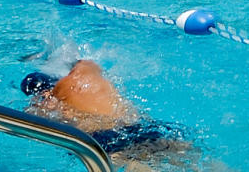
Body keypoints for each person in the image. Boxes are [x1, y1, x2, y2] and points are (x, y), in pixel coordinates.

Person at [20, 56, 183, 156]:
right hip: (140, 127)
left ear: (42, 93)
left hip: (106, 138)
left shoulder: (46, 102)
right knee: (189, 157)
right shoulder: (85, 73)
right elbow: (87, 62)